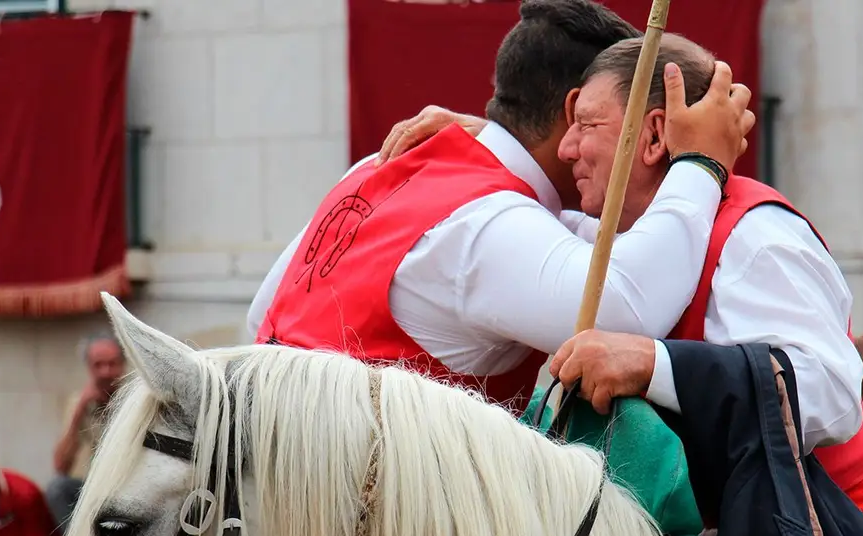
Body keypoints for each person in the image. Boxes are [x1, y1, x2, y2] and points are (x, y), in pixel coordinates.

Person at [372, 34, 863, 536]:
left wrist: (654, 364)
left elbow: (831, 398)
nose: (566, 149)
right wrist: (483, 140)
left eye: (585, 124)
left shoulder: (757, 239)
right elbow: (531, 198)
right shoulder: (611, 234)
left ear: (653, 135)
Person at [247, 0, 754, 416]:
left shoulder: (375, 167)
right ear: (573, 110)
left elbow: (260, 315)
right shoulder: (490, 222)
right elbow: (623, 309)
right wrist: (701, 163)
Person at [49, 332, 125, 532]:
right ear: (89, 368)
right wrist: (79, 410)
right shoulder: (79, 403)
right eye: (98, 365)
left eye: (112, 364)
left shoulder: (137, 398)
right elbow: (61, 466)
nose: (106, 372)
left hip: (128, 483)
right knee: (58, 488)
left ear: (123, 365)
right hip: (92, 487)